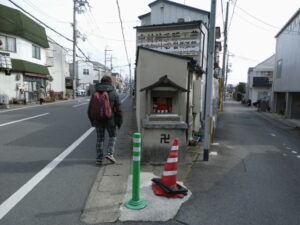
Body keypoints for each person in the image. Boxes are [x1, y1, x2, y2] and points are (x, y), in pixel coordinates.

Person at [87, 76, 123, 165]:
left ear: (101, 82)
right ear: (110, 83)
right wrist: (119, 122)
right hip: (111, 120)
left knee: (100, 138)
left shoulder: (95, 92)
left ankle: (99, 159)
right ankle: (110, 154)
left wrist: (93, 122)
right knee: (112, 136)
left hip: (98, 121)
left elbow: (89, 109)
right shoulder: (114, 93)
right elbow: (119, 110)